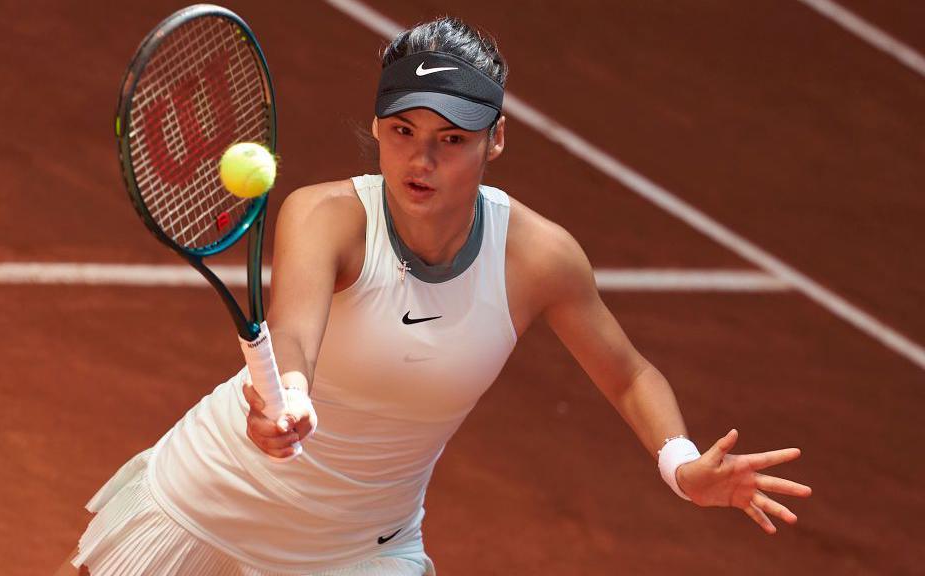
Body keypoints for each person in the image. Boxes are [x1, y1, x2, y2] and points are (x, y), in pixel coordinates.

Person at [56, 16, 812, 576]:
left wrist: (679, 465)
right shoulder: (326, 217)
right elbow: (294, 333)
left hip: (363, 549)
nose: (421, 159)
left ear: (497, 140)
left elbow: (630, 372)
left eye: (452, 139)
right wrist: (285, 396)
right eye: (401, 130)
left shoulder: (538, 257)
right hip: (216, 493)